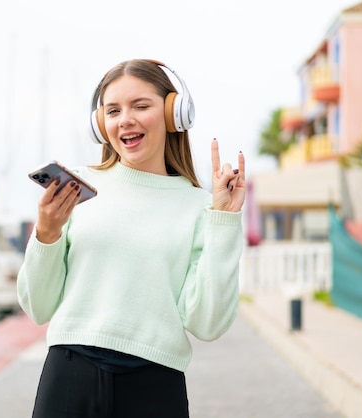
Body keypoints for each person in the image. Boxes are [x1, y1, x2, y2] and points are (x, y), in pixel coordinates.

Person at [17, 58, 245, 418]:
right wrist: (46, 234)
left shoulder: (202, 207)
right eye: (113, 110)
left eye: (141, 106)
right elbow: (38, 307)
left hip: (155, 384)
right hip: (69, 375)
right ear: (100, 123)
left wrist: (224, 221)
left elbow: (209, 323)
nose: (125, 119)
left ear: (174, 114)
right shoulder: (75, 187)